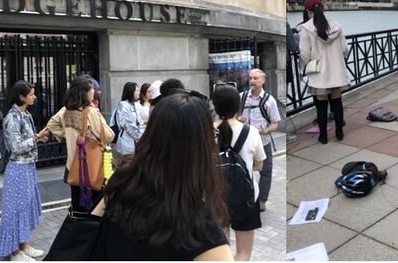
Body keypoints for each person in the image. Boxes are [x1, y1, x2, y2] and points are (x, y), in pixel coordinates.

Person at [90, 92, 233, 260]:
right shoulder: (203, 233)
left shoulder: (120, 186)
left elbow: (90, 229)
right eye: (213, 136)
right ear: (201, 147)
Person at [0, 81, 49, 261]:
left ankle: (23, 246)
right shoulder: (12, 117)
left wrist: (38, 139)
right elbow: (15, 147)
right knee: (15, 210)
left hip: (28, 166)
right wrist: (37, 138)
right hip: (17, 168)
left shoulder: (25, 114)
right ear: (21, 97)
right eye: (31, 94)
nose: (34, 96)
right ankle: (14, 252)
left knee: (26, 206)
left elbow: (28, 140)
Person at [211, 85, 265, 261]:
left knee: (221, 253)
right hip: (246, 197)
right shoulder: (251, 132)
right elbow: (259, 165)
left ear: (215, 106)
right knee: (243, 252)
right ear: (238, 105)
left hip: (215, 195)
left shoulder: (205, 132)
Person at [46, 76, 114, 214]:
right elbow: (109, 136)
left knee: (77, 204)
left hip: (72, 167)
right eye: (92, 89)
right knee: (95, 207)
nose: (94, 91)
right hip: (91, 167)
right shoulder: (91, 112)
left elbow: (52, 124)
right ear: (85, 92)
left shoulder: (66, 110)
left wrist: (68, 135)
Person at [298, 0, 349, 144]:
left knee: (321, 107)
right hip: (336, 70)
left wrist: (307, 63)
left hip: (319, 72)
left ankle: (323, 136)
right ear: (323, 8)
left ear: (307, 11)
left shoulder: (306, 28)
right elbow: (345, 50)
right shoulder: (336, 26)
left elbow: (305, 54)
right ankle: (339, 132)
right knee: (337, 103)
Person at [239, 69, 280, 212]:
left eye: (255, 78)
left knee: (266, 171)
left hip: (263, 141)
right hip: (243, 142)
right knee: (243, 170)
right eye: (250, 78)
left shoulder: (270, 101)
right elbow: (233, 117)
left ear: (263, 80)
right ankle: (246, 198)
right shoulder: (242, 97)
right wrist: (239, 119)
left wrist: (266, 130)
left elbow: (275, 123)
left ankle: (262, 200)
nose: (252, 81)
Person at [111, 82, 143, 169]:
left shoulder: (133, 105)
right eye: (137, 90)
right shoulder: (123, 105)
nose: (139, 92)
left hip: (133, 142)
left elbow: (138, 122)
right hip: (126, 143)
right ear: (130, 92)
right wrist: (138, 137)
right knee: (126, 167)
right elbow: (128, 125)